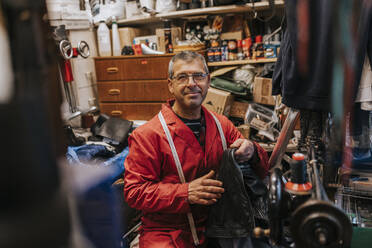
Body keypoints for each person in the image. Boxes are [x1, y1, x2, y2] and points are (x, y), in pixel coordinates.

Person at [124, 51, 269, 247]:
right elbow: (134, 192)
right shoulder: (148, 135)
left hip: (218, 227)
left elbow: (261, 169)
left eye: (198, 76)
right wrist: (186, 192)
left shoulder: (222, 125)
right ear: (170, 85)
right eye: (182, 77)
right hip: (168, 233)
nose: (192, 83)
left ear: (208, 81)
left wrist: (252, 151)